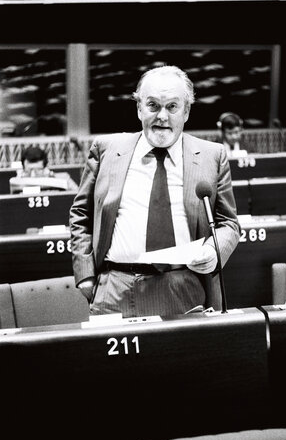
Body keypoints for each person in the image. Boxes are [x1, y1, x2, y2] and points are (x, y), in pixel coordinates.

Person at [69, 65, 241, 318]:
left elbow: (229, 223)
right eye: (153, 105)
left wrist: (215, 252)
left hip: (183, 287)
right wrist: (85, 275)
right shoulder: (106, 149)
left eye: (172, 107)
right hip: (114, 289)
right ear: (139, 108)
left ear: (186, 111)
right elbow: (81, 214)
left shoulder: (211, 156)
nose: (162, 116)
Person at [9, 145, 78, 193]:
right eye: (28, 171)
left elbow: (79, 198)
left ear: (45, 168)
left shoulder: (63, 179)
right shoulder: (17, 182)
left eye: (38, 170)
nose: (33, 175)